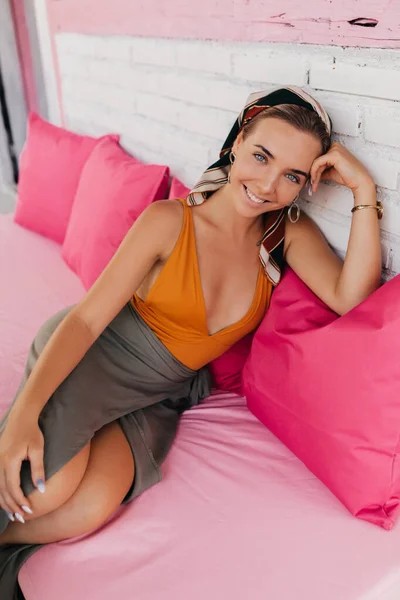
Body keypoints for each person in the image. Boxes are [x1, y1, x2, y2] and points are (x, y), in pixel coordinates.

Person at [0, 86, 382, 597]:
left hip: (160, 392)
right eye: (261, 156)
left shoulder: (285, 235)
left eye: (292, 175)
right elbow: (87, 322)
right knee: (47, 490)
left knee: (89, 509)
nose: (268, 185)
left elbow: (350, 296)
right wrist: (25, 415)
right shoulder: (169, 221)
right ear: (238, 141)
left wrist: (362, 189)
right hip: (97, 354)